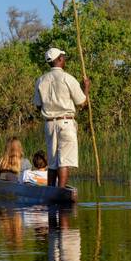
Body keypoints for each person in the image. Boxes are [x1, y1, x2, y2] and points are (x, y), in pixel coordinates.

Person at [32, 48, 90, 188]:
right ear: (58, 60)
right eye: (63, 57)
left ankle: (51, 191)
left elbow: (38, 106)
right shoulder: (67, 78)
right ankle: (61, 191)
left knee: (52, 162)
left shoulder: (41, 80)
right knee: (64, 161)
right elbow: (82, 103)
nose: (64, 59)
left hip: (49, 124)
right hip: (66, 122)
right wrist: (86, 88)